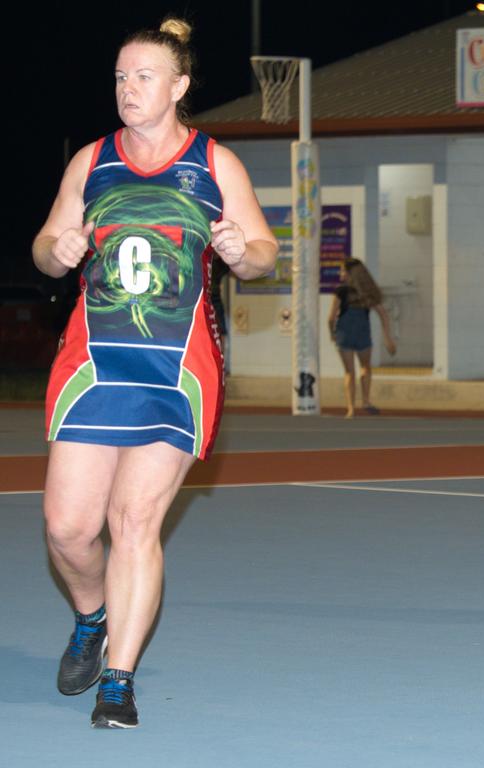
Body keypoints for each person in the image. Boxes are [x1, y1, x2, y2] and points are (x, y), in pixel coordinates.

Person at [32, 18, 277, 727]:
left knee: (134, 520)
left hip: (177, 369)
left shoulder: (215, 163)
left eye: (143, 77)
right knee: (67, 530)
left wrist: (242, 249)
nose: (128, 89)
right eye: (119, 77)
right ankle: (90, 618)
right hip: (92, 363)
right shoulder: (91, 161)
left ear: (178, 86)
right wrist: (60, 248)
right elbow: (45, 250)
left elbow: (263, 252)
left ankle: (119, 680)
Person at [327, 257, 397, 417]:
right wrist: (387, 337)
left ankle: (352, 407)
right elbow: (383, 315)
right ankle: (363, 401)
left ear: (351, 274)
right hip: (359, 333)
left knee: (350, 371)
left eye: (343, 270)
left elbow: (331, 317)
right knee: (364, 368)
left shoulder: (350, 292)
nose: (340, 273)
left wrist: (332, 333)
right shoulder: (357, 292)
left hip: (347, 333)